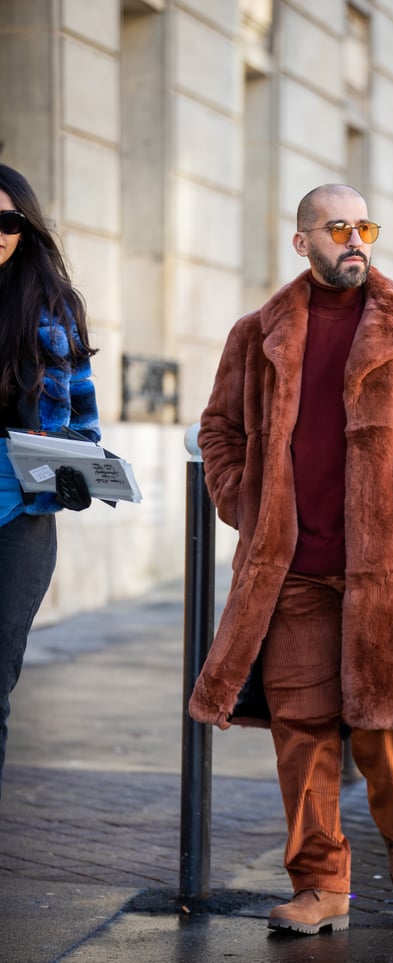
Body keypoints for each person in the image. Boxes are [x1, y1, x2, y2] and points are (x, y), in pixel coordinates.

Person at [188, 184, 393, 934]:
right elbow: (219, 429)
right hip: (289, 573)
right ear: (303, 242)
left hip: (386, 573)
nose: (355, 239)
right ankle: (322, 884)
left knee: (388, 733)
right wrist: (243, 502)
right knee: (302, 733)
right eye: (338, 227)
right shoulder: (256, 333)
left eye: (365, 226)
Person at [0, 164, 100, 796]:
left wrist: (78, 476)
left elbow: (81, 424)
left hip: (18, 519)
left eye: (7, 221)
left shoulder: (48, 308)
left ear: (23, 228)